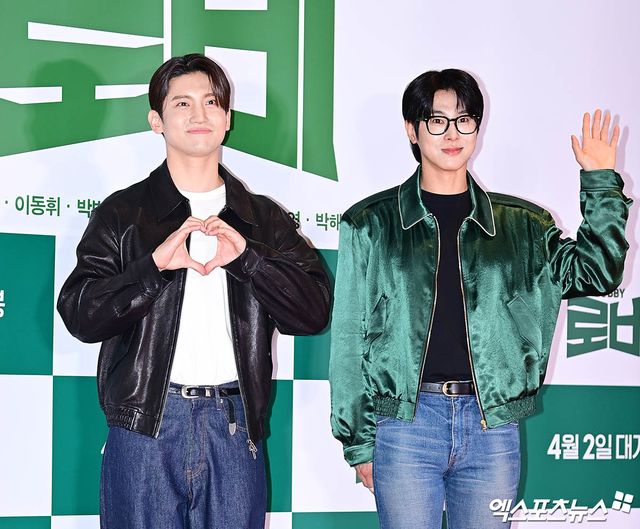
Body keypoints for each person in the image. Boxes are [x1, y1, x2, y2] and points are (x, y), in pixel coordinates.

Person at [328, 69, 631, 529]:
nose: (452, 133)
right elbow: (349, 339)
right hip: (406, 427)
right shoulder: (370, 223)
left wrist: (601, 182)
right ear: (412, 129)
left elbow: (598, 272)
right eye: (437, 121)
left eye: (464, 119)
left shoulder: (524, 225)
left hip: (492, 428)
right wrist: (359, 441)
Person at [57, 53, 330, 529]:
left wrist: (248, 260)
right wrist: (153, 269)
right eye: (182, 103)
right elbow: (80, 314)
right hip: (145, 422)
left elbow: (314, 313)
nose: (199, 114)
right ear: (156, 120)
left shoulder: (263, 218)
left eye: (211, 102)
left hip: (235, 425)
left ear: (227, 118)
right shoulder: (123, 214)